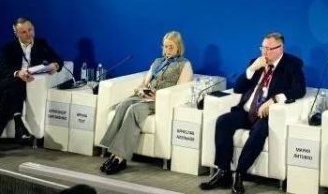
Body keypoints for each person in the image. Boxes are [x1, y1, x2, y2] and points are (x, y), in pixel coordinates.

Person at [201, 32, 306, 193]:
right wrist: (252, 68)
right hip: (246, 112)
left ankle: (239, 174)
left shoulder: (292, 64)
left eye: (269, 49)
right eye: (263, 48)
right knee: (223, 121)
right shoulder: (256, 62)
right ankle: (223, 172)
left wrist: (274, 99)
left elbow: (299, 89)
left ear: (280, 48)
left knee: (259, 131)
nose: (265, 52)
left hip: (266, 115)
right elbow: (238, 88)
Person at [99, 31, 193, 175]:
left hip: (161, 101)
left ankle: (119, 157)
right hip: (146, 95)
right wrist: (142, 90)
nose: (167, 50)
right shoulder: (157, 62)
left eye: (171, 47)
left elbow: (180, 89)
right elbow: (145, 82)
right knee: (123, 105)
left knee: (133, 110)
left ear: (178, 47)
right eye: (165, 46)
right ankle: (112, 152)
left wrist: (159, 96)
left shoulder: (184, 64)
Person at [0, 17, 63, 161]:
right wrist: (18, 73)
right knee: (12, 87)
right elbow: (3, 68)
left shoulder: (41, 44)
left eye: (30, 30)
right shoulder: (8, 48)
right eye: (23, 32)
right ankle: (17, 122)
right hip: (9, 83)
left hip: (27, 86)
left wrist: (55, 66)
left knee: (9, 96)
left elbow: (59, 60)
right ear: (16, 33)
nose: (28, 34)